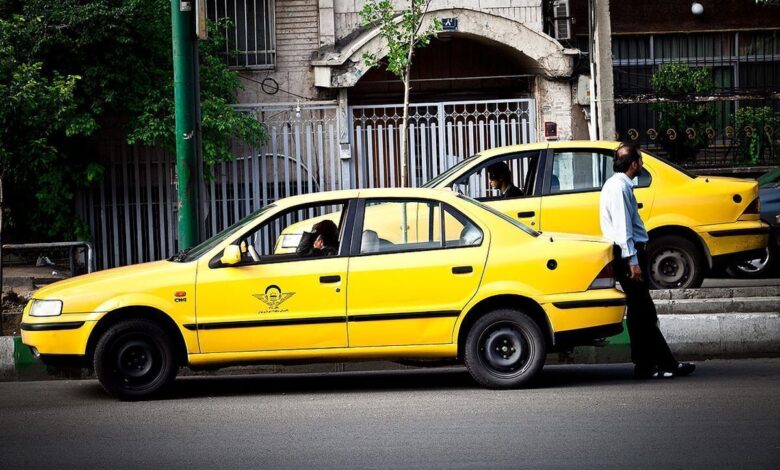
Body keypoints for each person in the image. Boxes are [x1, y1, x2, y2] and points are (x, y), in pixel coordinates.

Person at [600, 142, 695, 379]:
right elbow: (623, 229)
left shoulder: (616, 185)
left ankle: (645, 364)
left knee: (639, 312)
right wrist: (633, 261)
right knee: (645, 312)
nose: (642, 164)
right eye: (640, 160)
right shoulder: (620, 188)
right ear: (633, 164)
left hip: (628, 254)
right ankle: (665, 364)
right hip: (628, 256)